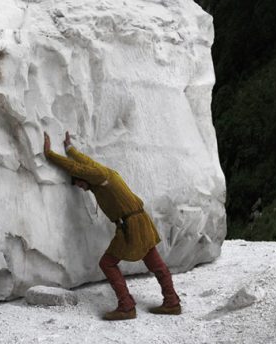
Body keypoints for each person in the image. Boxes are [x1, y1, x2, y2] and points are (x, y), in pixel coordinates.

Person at [43, 131, 181, 320]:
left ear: (84, 180)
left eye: (80, 185)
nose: (81, 188)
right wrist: (70, 148)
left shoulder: (98, 176)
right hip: (141, 221)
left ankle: (126, 306)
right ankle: (172, 302)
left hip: (130, 226)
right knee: (155, 263)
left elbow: (77, 168)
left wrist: (50, 154)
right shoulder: (103, 174)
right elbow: (86, 163)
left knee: (107, 263)